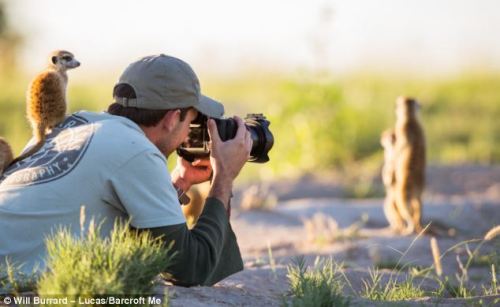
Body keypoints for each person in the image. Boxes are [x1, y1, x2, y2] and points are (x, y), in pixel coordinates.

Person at [0, 54, 252, 286]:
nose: (189, 132)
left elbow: (129, 225)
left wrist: (181, 181)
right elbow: (190, 269)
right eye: (191, 120)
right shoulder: (137, 150)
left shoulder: (71, 125)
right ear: (173, 118)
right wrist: (224, 178)